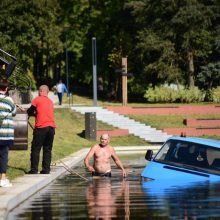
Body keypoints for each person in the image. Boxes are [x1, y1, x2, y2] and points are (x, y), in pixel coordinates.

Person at [27, 85, 56, 174]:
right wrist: (36, 114)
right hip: (51, 128)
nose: (38, 92)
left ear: (41, 91)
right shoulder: (50, 102)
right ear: (47, 92)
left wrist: (28, 113)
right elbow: (43, 112)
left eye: (39, 91)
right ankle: (46, 169)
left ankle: (34, 169)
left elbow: (29, 112)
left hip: (41, 128)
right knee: (47, 149)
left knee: (36, 148)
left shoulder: (37, 99)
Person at [0, 79, 16, 187]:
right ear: (6, 89)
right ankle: (3, 179)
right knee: (3, 155)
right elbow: (14, 112)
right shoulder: (9, 100)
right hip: (5, 133)